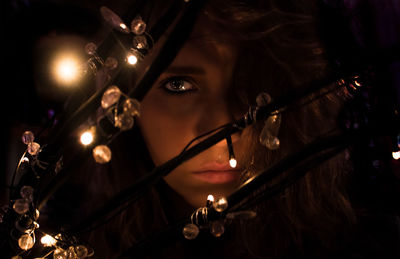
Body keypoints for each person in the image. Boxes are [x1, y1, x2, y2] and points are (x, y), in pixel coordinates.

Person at [6, 0, 400, 258]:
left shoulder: (362, 240)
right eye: (179, 85)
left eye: (252, 88)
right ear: (121, 98)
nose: (222, 125)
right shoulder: (68, 242)